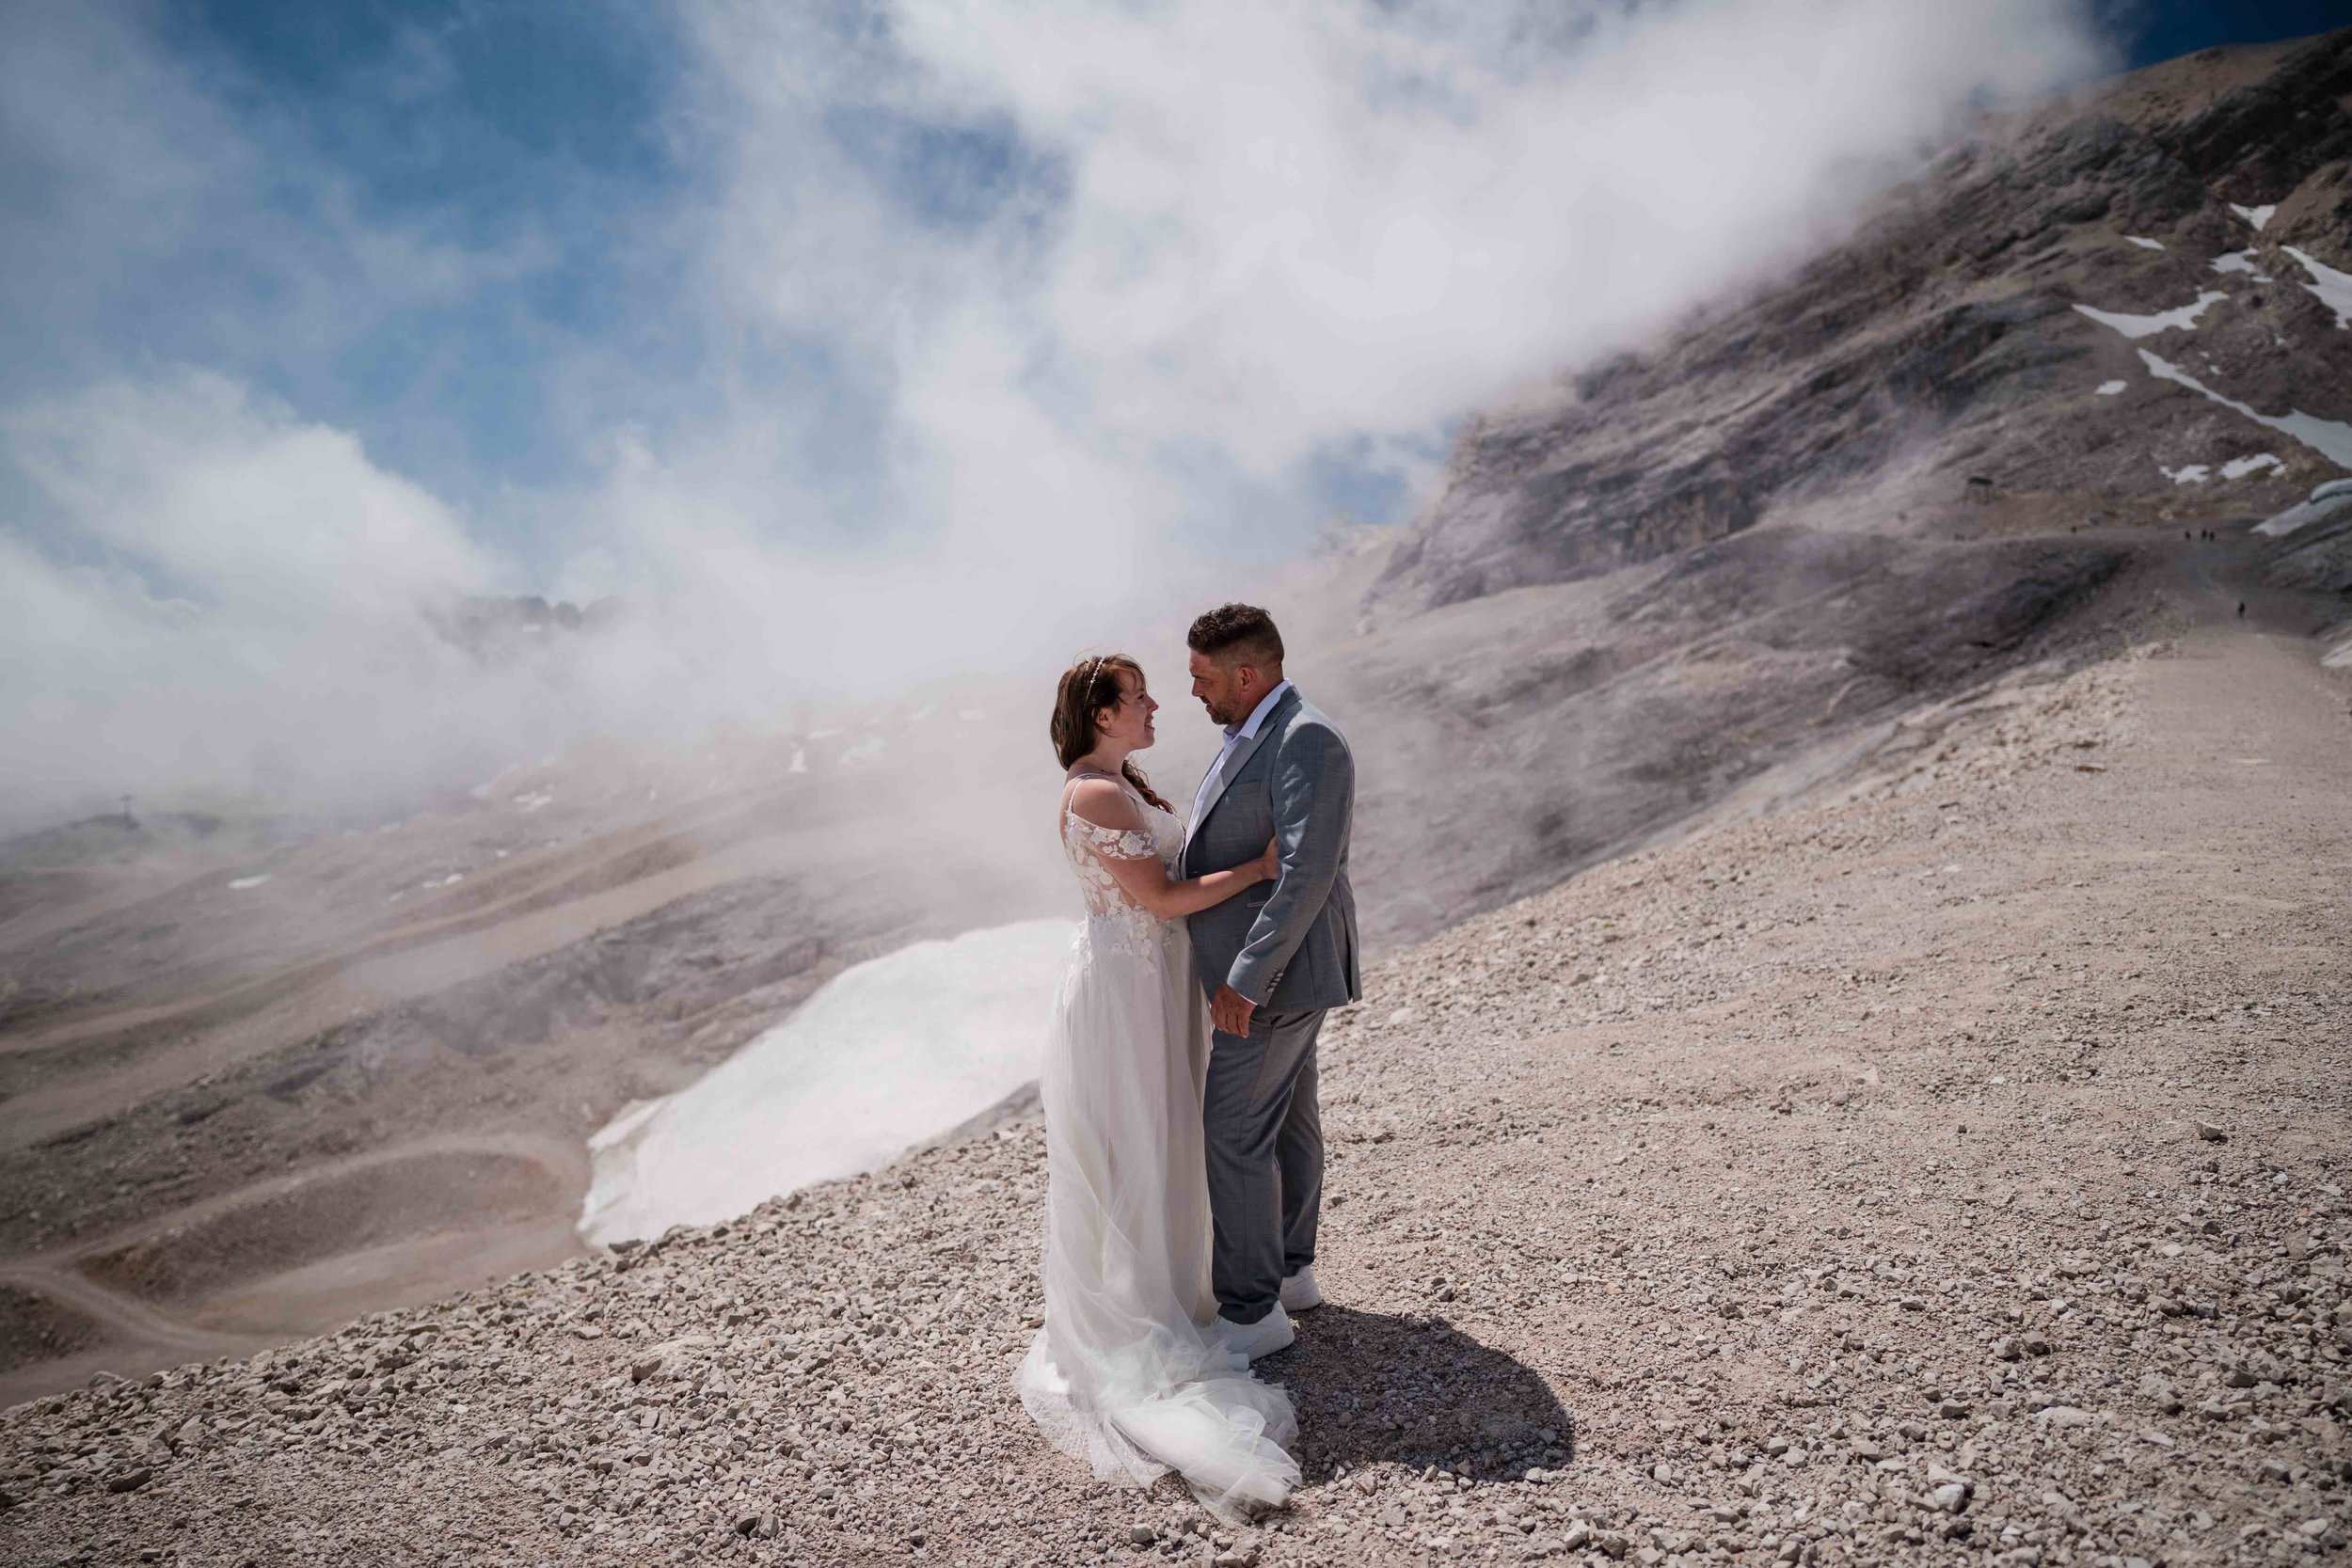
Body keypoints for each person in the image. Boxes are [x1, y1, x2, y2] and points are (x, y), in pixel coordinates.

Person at [1016, 653, 1299, 1516]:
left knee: (1158, 1132)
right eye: (1138, 697)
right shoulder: (1096, 793)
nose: (1153, 706)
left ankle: (1175, 1283)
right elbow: (1161, 900)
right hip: (1125, 990)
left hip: (1143, 983)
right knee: (1140, 1136)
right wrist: (1257, 871)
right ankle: (1150, 1305)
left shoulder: (1114, 780)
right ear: (1102, 714)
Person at [1180, 604, 1359, 1358]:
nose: (1194, 691)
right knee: (1286, 1120)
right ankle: (1291, 1273)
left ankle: (1251, 1313)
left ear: (1246, 674)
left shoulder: (1304, 737)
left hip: (1277, 977)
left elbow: (1305, 873)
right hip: (1282, 974)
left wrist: (1246, 980)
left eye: (1204, 677)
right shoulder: (1255, 733)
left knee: (1234, 1130)